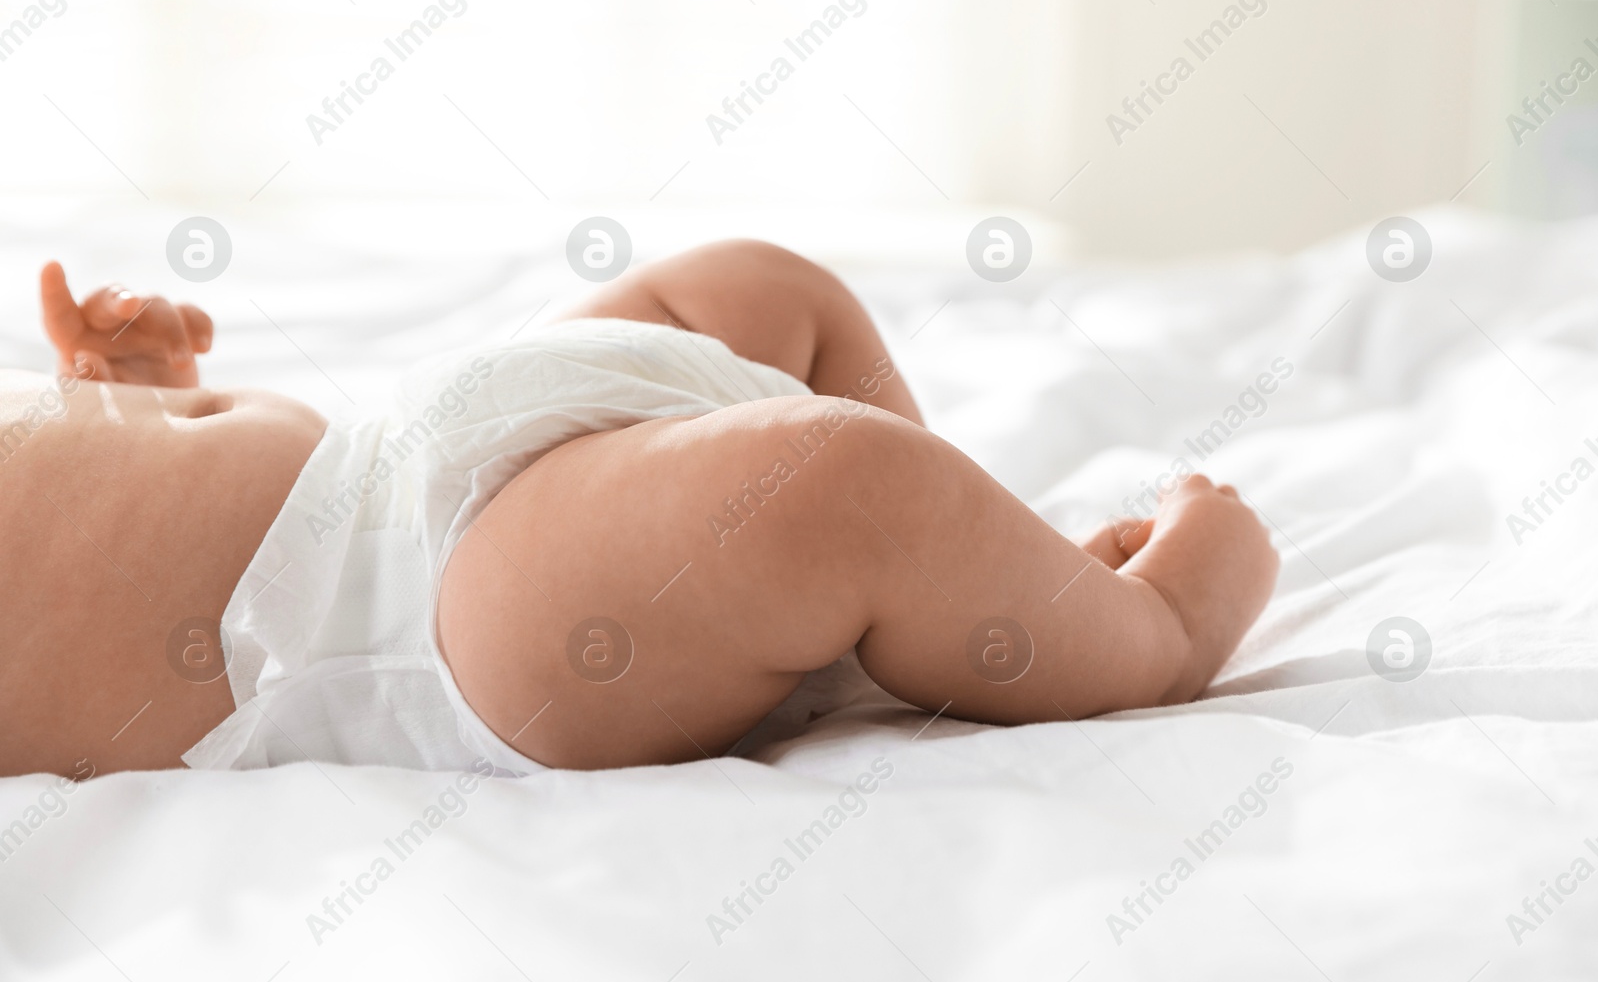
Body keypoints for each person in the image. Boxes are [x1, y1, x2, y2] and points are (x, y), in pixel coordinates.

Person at [0, 240, 1278, 778]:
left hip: (416, 442)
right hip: (430, 628)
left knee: (756, 289)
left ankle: (975, 583)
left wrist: (133, 391)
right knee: (828, 479)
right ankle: (1151, 628)